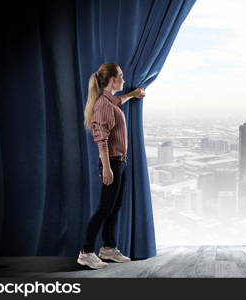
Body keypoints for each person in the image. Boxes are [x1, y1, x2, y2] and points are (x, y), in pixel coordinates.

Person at [77, 63, 146, 269]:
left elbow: (119, 100)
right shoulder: (103, 105)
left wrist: (133, 94)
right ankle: (86, 252)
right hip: (113, 163)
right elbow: (101, 140)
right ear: (113, 80)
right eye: (121, 76)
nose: (124, 80)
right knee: (104, 209)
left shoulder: (110, 101)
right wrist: (107, 168)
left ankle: (108, 248)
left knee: (114, 208)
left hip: (120, 162)